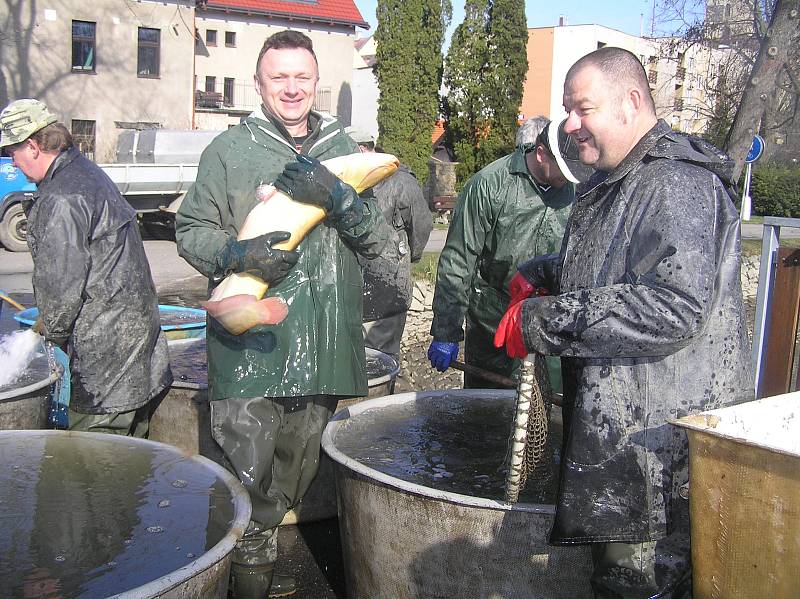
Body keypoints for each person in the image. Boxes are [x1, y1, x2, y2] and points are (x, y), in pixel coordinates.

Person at [493, 47, 754, 598]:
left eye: (581, 108)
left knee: (640, 584)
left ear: (632, 101)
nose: (569, 125)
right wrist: (544, 274)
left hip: (659, 449)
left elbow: (674, 308)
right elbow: (615, 266)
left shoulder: (677, 183)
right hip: (622, 432)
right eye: (567, 110)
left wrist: (542, 321)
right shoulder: (616, 178)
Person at [175, 30, 394, 599]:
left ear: (316, 80)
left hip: (323, 342)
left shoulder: (347, 148)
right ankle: (247, 575)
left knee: (295, 475)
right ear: (259, 83)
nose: (292, 88)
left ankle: (264, 561)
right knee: (246, 486)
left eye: (302, 76)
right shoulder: (228, 151)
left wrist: (343, 200)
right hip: (254, 345)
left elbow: (383, 246)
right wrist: (233, 253)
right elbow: (190, 229)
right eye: (279, 77)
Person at [0, 99, 172, 435]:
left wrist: (53, 331)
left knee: (93, 470)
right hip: (138, 345)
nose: (13, 162)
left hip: (106, 359)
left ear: (33, 146)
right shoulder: (86, 172)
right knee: (133, 466)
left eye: (13, 152)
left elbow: (61, 291)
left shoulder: (60, 197)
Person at [427, 116, 590, 389]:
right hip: (493, 324)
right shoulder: (489, 185)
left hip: (550, 323)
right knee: (486, 413)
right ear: (540, 154)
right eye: (562, 170)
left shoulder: (576, 192)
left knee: (543, 415)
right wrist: (446, 331)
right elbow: (458, 261)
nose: (568, 178)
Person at [345, 126, 433, 361]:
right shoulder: (346, 180)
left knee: (380, 359)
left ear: (363, 150)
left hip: (388, 288)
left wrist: (405, 256)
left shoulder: (401, 181)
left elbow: (422, 225)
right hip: (349, 289)